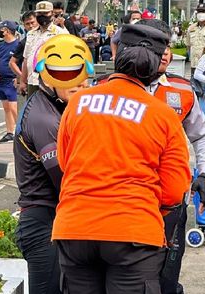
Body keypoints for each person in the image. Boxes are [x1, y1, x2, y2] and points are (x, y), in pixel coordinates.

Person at [52, 23, 191, 293]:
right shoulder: (162, 115)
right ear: (155, 66)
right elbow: (175, 190)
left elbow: (65, 162)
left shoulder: (78, 103)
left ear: (116, 53)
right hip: (134, 232)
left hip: (75, 227)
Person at [136, 19, 205, 294]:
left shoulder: (182, 90)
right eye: (158, 46)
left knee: (167, 279)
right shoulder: (112, 89)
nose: (166, 52)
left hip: (170, 204)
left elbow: (202, 135)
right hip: (127, 203)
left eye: (167, 45)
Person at [13, 34, 90, 294]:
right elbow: (64, 176)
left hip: (55, 218)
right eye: (67, 77)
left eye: (81, 76)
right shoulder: (43, 118)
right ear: (46, 77)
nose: (78, 84)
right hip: (43, 222)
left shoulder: (56, 107)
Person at [20, 1, 68, 97]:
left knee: (50, 109)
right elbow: (26, 59)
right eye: (39, 13)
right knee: (32, 109)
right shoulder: (31, 34)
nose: (42, 16)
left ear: (52, 14)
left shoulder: (60, 33)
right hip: (32, 81)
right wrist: (22, 81)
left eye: (45, 13)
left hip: (51, 81)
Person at [0, 20, 20, 143]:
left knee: (14, 108)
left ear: (7, 30)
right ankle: (10, 132)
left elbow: (22, 63)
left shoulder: (18, 45)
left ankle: (22, 133)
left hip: (11, 80)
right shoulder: (1, 46)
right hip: (1, 80)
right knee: (6, 107)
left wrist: (18, 78)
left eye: (2, 29)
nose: (0, 32)